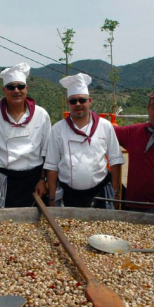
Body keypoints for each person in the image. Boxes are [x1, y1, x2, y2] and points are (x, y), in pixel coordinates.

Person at [44, 73, 124, 208]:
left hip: (99, 193)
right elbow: (52, 166)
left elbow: (115, 160)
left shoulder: (105, 126)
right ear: (68, 103)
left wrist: (115, 193)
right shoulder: (58, 129)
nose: (78, 104)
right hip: (68, 194)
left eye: (82, 100)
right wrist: (52, 198)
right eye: (73, 101)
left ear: (90, 101)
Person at [0, 63, 51, 207]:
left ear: (26, 89)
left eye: (20, 86)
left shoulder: (41, 114)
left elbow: (47, 152)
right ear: (4, 90)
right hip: (5, 180)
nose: (16, 90)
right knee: (5, 225)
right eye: (11, 87)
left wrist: (43, 180)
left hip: (34, 181)